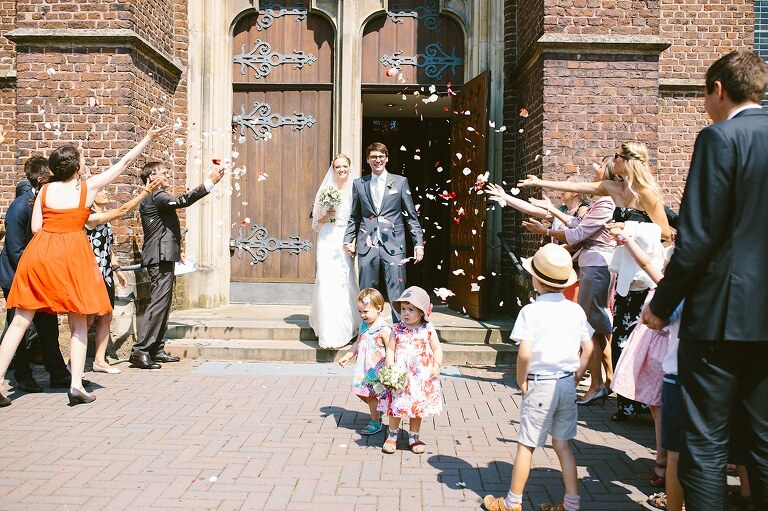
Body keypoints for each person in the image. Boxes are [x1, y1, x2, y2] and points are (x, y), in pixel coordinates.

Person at [642, 51, 768, 511]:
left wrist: (660, 304)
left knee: (706, 443)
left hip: (720, 318)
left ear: (718, 89)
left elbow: (697, 239)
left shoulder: (719, 139)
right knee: (763, 439)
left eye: (704, 94)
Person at [0, 125, 170, 407]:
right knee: (78, 321)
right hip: (72, 254)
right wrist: (148, 138)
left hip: (40, 253)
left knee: (20, 320)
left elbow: (36, 226)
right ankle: (76, 385)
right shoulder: (87, 188)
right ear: (77, 166)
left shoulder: (43, 190)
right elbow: (124, 163)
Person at [519, 142, 670, 423]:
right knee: (622, 332)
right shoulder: (612, 189)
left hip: (640, 270)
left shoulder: (646, 194)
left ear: (627, 161)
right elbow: (579, 189)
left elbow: (664, 232)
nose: (612, 161)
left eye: (616, 156)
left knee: (626, 331)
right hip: (621, 267)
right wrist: (540, 181)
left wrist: (628, 227)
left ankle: (639, 398)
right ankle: (626, 402)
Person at [483, 243, 593, 511]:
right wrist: (576, 375)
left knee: (527, 444)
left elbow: (524, 354)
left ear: (535, 280)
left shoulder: (530, 312)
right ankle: (571, 503)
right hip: (566, 383)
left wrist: (522, 379)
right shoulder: (575, 310)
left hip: (541, 383)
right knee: (563, 444)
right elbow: (589, 348)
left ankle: (512, 502)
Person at [522, 157, 617, 404]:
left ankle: (601, 382)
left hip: (598, 266)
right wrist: (553, 213)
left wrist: (545, 232)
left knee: (594, 325)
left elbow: (577, 235)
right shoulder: (601, 201)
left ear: (607, 172)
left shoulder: (606, 202)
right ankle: (603, 380)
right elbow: (576, 224)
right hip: (590, 266)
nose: (594, 166)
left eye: (599, 164)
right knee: (594, 324)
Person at [129, 161, 224, 370]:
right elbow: (183, 201)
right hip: (159, 257)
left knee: (164, 304)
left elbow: (165, 228)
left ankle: (156, 349)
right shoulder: (157, 196)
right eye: (163, 173)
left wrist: (176, 250)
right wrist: (210, 182)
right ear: (151, 176)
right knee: (157, 304)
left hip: (165, 255)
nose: (167, 176)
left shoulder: (153, 197)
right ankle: (140, 351)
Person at [0, 157, 70, 392]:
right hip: (17, 276)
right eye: (51, 179)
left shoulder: (40, 203)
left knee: (48, 326)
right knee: (18, 327)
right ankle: (22, 376)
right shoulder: (20, 207)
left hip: (38, 275)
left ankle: (58, 374)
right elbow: (15, 249)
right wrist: (36, 271)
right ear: (41, 180)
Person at [85, 177, 163, 373]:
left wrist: (117, 269)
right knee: (87, 319)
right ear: (92, 197)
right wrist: (145, 192)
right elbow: (121, 211)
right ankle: (72, 362)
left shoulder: (102, 217)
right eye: (102, 191)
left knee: (106, 316)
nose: (106, 193)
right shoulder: (90, 217)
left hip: (106, 273)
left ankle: (99, 361)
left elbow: (107, 247)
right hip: (91, 273)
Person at [344, 143, 424, 321]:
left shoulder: (400, 182)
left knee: (397, 290)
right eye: (373, 157)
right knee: (367, 293)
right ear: (367, 160)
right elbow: (355, 216)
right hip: (367, 244)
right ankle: (368, 332)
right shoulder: (359, 184)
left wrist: (418, 243)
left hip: (394, 244)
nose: (377, 160)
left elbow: (411, 216)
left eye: (381, 157)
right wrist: (348, 240)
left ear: (386, 158)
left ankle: (399, 331)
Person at [378, 286, 442, 454]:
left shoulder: (427, 328)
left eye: (411, 309)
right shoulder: (397, 328)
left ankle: (414, 437)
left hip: (420, 376)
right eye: (403, 309)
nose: (405, 313)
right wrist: (390, 365)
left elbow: (437, 348)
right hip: (401, 375)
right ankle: (392, 435)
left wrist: (437, 365)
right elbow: (390, 348)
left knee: (417, 405)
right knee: (396, 404)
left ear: (421, 312)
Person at [309, 153, 360, 348]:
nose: (341, 170)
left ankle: (346, 327)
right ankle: (328, 331)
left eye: (344, 167)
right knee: (325, 279)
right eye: (337, 167)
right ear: (333, 169)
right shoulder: (327, 189)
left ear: (349, 167)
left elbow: (358, 218)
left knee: (343, 280)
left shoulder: (355, 189)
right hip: (327, 237)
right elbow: (316, 221)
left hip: (344, 239)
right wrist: (326, 216)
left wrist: (353, 240)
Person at [338, 288, 391, 436]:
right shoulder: (363, 326)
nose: (362, 315)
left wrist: (389, 364)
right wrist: (348, 355)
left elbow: (391, 348)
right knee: (360, 391)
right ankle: (378, 410)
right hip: (363, 368)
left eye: (366, 312)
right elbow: (357, 342)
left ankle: (375, 420)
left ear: (378, 308)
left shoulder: (383, 329)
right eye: (360, 312)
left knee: (370, 394)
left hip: (376, 369)